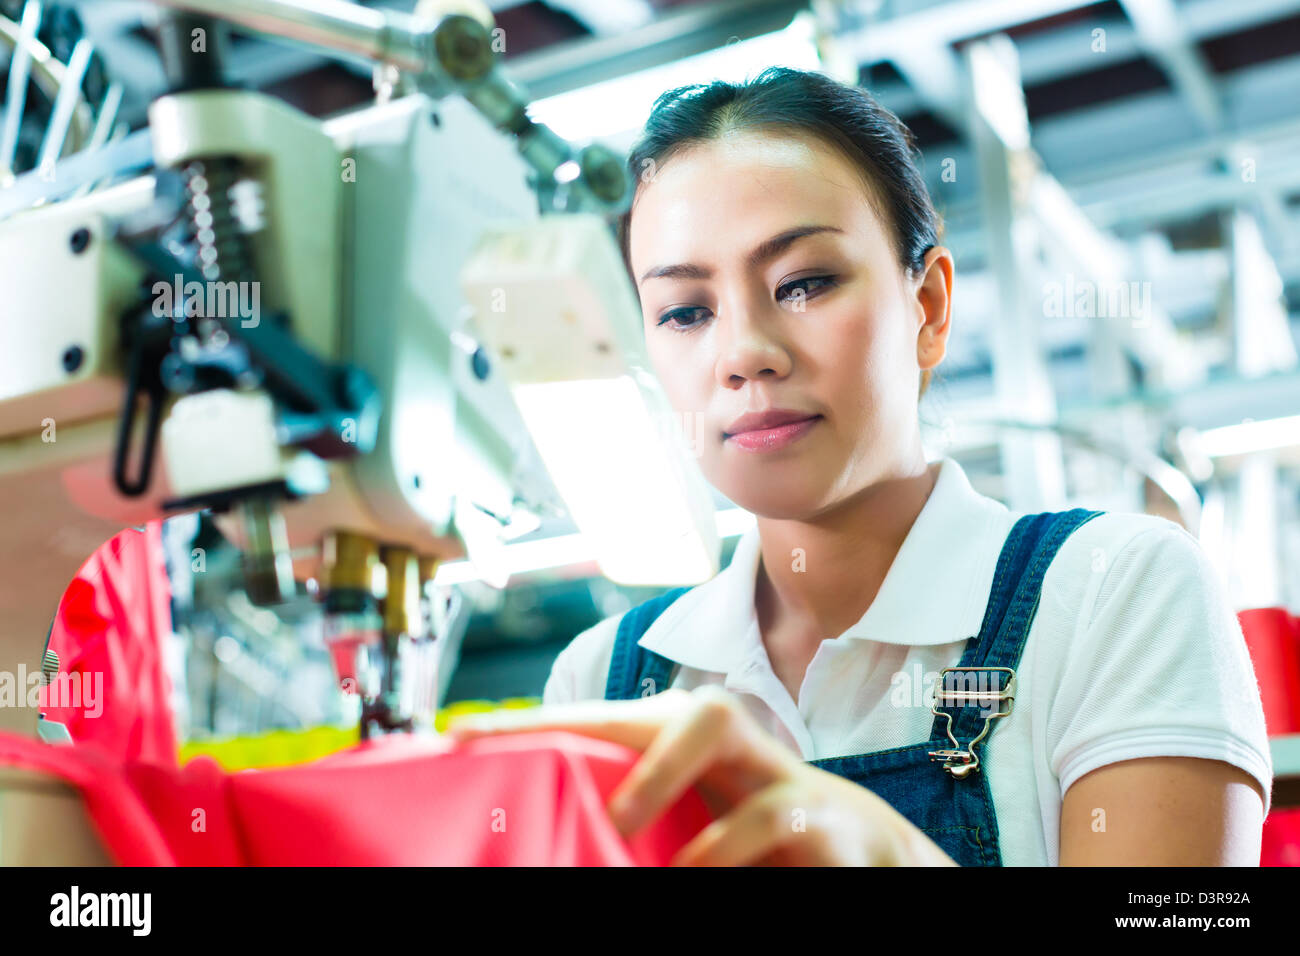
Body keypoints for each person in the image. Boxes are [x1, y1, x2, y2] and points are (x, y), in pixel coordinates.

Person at [446, 67, 1273, 866]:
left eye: (804, 282)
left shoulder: (1114, 595)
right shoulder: (603, 680)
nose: (744, 354)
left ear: (930, 306)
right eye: (686, 310)